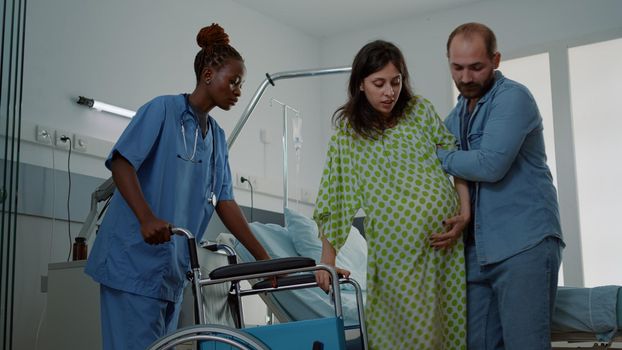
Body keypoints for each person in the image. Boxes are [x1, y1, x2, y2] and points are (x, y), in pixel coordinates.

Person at [85, 23, 271, 350]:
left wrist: (263, 259)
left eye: (241, 84)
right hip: (133, 262)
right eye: (234, 81)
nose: (238, 91)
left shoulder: (216, 137)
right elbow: (122, 163)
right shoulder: (162, 110)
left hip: (170, 271)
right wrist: (146, 218)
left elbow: (224, 201)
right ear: (209, 74)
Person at [313, 40, 470, 350]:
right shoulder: (349, 133)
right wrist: (327, 258)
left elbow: (455, 158)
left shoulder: (419, 110)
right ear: (360, 84)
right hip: (398, 252)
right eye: (379, 83)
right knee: (415, 336)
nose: (389, 92)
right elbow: (336, 192)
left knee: (448, 331)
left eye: (396, 82)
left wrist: (465, 212)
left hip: (444, 248)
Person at [437, 22, 564, 349]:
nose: (465, 78)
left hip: (524, 243)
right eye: (457, 67)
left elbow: (490, 165)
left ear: (495, 59)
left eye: (476, 67)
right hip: (477, 252)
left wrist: (440, 155)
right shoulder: (455, 117)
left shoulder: (514, 99)